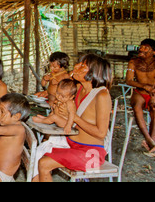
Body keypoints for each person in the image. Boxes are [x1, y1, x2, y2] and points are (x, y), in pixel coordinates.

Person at [34, 54, 112, 182]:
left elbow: (101, 133)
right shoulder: (79, 88)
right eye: (79, 63)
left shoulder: (102, 95)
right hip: (72, 145)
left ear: (94, 73)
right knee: (38, 158)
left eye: (83, 66)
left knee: (44, 163)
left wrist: (74, 117)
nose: (76, 66)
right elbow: (69, 121)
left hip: (91, 154)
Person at [125, 38, 155, 153]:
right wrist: (143, 86)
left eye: (145, 48)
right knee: (136, 107)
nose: (141, 49)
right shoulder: (134, 62)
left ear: (154, 51)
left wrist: (153, 99)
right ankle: (148, 139)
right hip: (140, 92)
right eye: (141, 47)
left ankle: (151, 141)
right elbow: (128, 81)